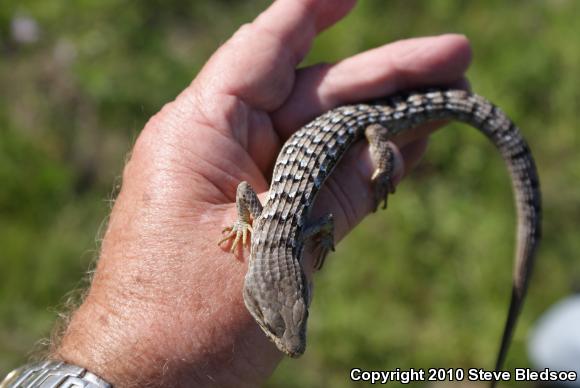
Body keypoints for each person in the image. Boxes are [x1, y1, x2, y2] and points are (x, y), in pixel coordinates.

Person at [2, 0, 471, 386]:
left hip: (365, 127)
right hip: (336, 129)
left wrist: (377, 169)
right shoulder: (284, 228)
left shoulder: (277, 224)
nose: (292, 343)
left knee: (387, 149)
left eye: (284, 320)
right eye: (278, 323)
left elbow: (256, 193)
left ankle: (412, 140)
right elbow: (309, 219)